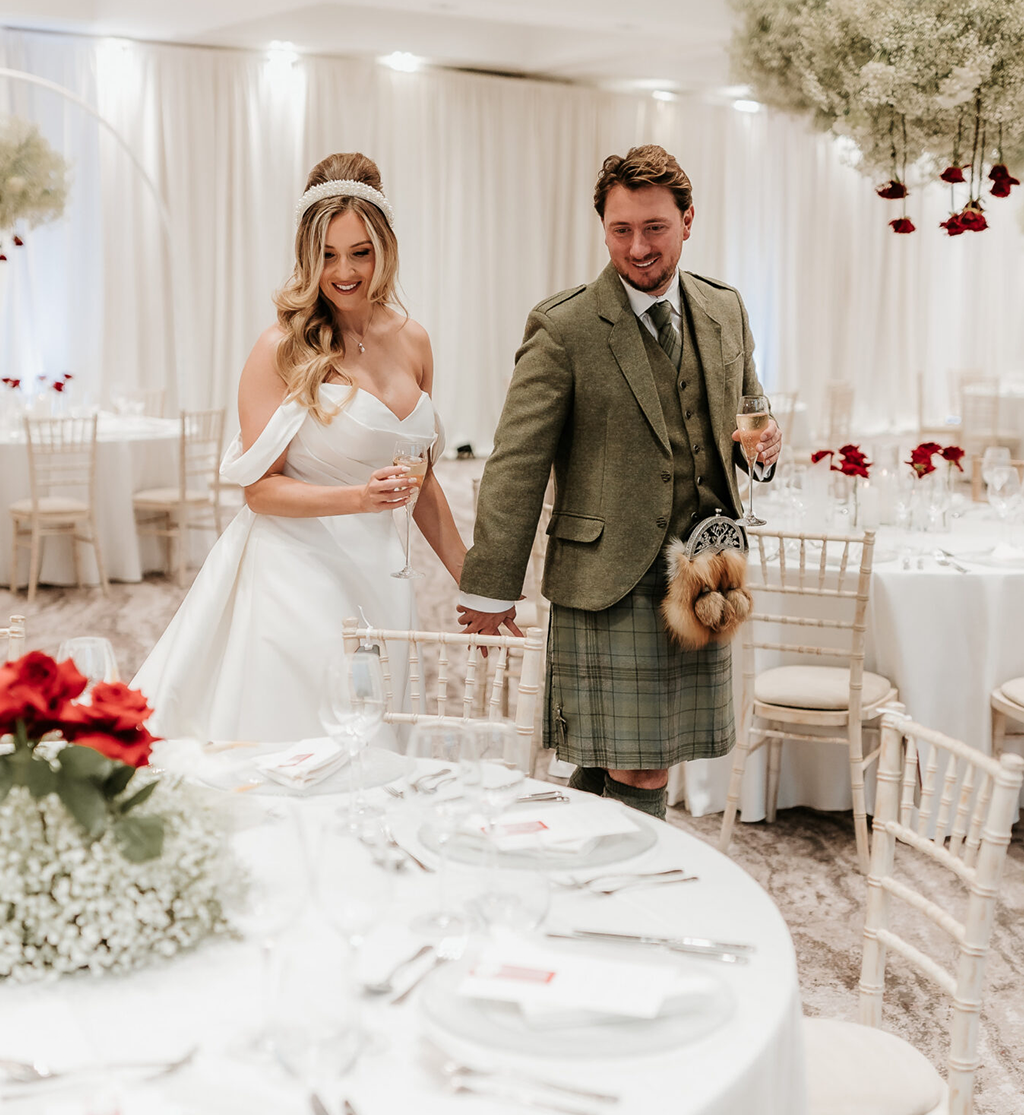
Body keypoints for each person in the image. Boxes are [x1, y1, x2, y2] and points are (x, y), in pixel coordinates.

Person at [457, 145, 781, 820]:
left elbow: (750, 413)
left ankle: (568, 872)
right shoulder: (566, 325)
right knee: (637, 757)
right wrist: (492, 585)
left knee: (616, 752)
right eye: (621, 229)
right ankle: (636, 898)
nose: (637, 246)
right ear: (603, 226)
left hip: (702, 576)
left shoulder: (724, 309)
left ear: (688, 220)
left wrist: (764, 446)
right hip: (607, 580)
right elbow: (517, 459)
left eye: (655, 227)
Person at [134, 152, 466, 741]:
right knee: (311, 737)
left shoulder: (414, 340)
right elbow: (260, 491)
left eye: (360, 252)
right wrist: (359, 499)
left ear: (384, 247)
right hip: (295, 571)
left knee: (383, 734)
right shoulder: (279, 349)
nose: (344, 272)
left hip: (382, 574)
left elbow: (423, 479)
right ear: (307, 254)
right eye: (327, 255)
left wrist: (474, 582)